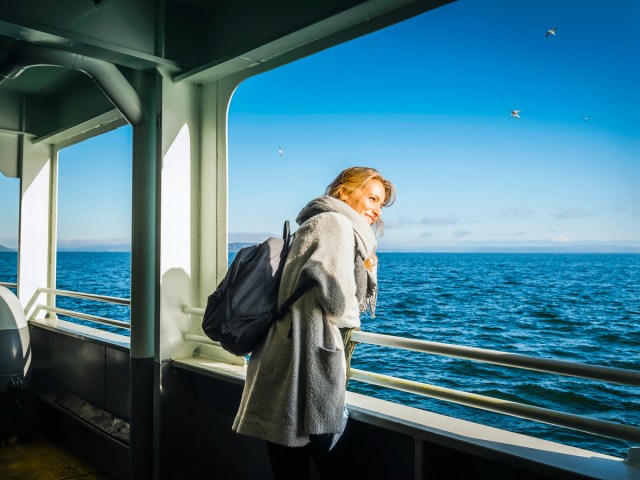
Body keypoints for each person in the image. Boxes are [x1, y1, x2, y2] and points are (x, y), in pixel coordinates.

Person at [232, 166, 396, 479]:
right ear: (345, 192)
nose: (376, 209)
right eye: (373, 198)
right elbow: (339, 302)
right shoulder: (335, 224)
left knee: (288, 466)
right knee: (340, 463)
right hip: (307, 369)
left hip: (284, 361)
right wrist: (368, 266)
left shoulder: (315, 222)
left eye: (381, 204)